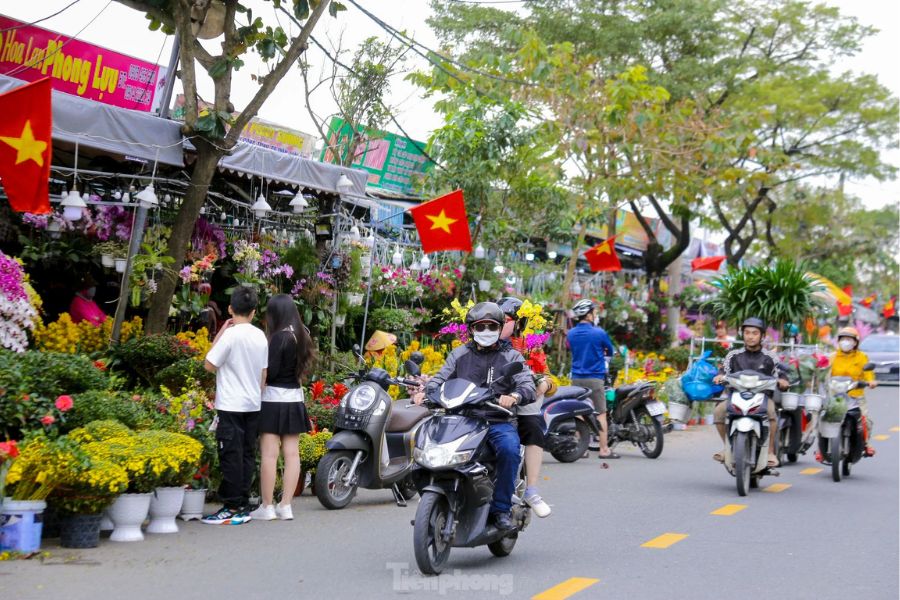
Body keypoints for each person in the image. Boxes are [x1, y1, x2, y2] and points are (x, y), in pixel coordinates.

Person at [415, 302, 535, 531]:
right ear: (471, 329)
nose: (486, 331)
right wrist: (426, 392)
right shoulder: (459, 354)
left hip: (497, 420)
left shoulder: (512, 357)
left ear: (500, 328)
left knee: (509, 451)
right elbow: (441, 379)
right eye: (481, 326)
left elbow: (526, 383)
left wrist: (516, 396)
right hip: (462, 419)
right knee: (427, 444)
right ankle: (435, 497)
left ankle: (501, 509)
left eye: (492, 326)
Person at [202, 285, 268, 525]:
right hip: (253, 403)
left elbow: (209, 365)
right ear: (253, 312)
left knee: (230, 454)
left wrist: (220, 332)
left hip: (231, 403)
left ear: (230, 309)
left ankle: (231, 507)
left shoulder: (230, 335)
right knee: (247, 453)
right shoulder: (260, 336)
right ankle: (241, 502)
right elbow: (263, 374)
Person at [249, 294, 316, 522]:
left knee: (269, 454)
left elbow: (272, 372)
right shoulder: (301, 336)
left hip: (273, 399)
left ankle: (267, 506)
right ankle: (286, 505)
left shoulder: (278, 338)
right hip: (294, 399)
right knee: (292, 455)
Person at [498, 297, 553, 518]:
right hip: (487, 402)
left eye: (507, 320)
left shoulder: (531, 345)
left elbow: (548, 376)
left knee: (532, 427)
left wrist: (544, 384)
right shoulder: (481, 343)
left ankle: (531, 489)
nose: (501, 324)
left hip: (520, 402)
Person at [712, 318, 789, 468]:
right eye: (747, 332)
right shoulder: (733, 355)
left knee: (772, 412)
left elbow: (781, 373)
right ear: (742, 334)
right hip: (736, 397)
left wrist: (783, 381)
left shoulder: (770, 357)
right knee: (718, 412)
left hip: (763, 398)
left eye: (754, 333)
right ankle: (727, 448)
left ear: (762, 335)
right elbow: (723, 371)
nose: (750, 336)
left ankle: (770, 452)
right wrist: (719, 376)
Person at [566, 299, 617, 459]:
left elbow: (570, 349)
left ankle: (581, 448)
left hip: (576, 380)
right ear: (588, 315)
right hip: (595, 378)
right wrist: (605, 360)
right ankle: (603, 450)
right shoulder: (599, 332)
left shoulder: (571, 333)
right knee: (601, 413)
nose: (595, 315)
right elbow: (609, 351)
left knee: (579, 414)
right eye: (594, 313)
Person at [829, 326, 877, 456]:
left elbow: (868, 373)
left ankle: (866, 444)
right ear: (838, 341)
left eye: (849, 339)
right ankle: (823, 449)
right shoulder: (832, 357)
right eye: (843, 339)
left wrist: (871, 381)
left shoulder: (862, 357)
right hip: (835, 396)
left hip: (856, 396)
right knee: (825, 419)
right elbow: (824, 373)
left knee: (865, 421)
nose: (846, 342)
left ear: (855, 342)